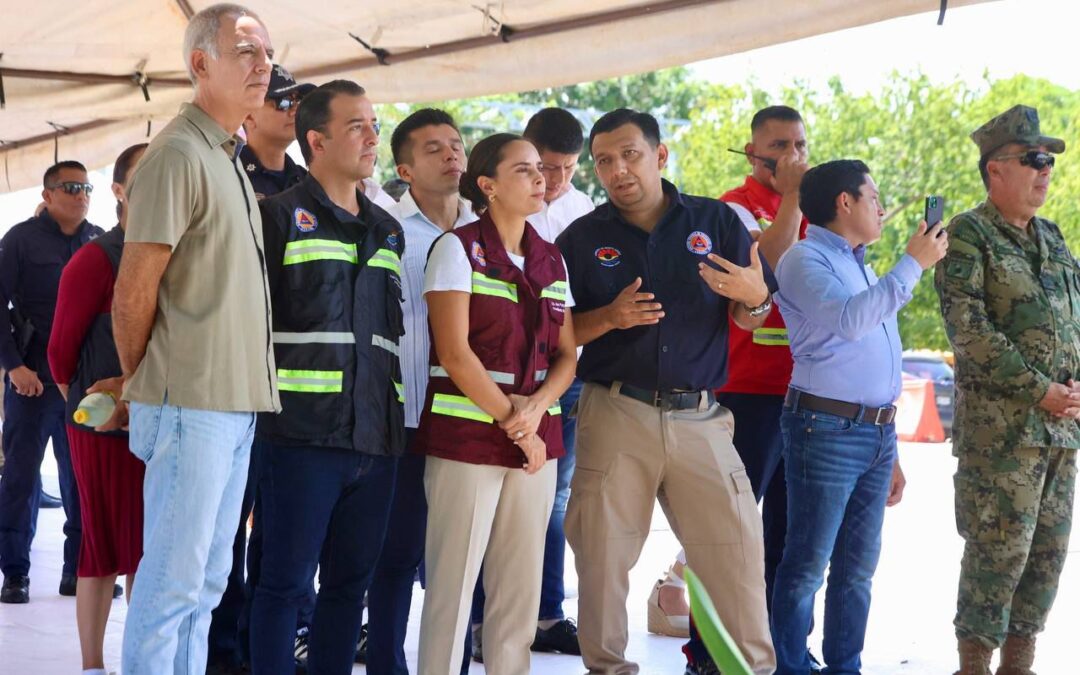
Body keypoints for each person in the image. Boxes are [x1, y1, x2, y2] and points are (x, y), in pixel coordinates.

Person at [557, 108, 775, 675]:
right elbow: (556, 335)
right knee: (601, 558)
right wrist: (609, 316)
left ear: (660, 156)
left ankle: (749, 669)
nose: (617, 170)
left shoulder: (717, 222)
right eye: (604, 161)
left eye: (629, 154)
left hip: (700, 417)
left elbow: (751, 314)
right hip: (614, 410)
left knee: (737, 552)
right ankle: (607, 668)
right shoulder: (580, 239)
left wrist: (755, 296)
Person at [112, 5, 280, 672]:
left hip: (232, 407)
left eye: (267, 51)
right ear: (201, 65)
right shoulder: (178, 153)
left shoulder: (227, 159)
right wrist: (142, 382)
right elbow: (132, 293)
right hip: (191, 402)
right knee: (172, 586)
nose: (263, 64)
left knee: (206, 587)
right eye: (246, 50)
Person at [246, 79, 406, 675]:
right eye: (357, 126)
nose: (372, 136)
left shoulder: (387, 229)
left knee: (348, 592)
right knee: (282, 587)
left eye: (374, 123)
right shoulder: (278, 217)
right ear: (316, 140)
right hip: (298, 441)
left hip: (376, 442)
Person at [769, 159, 947, 674]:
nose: (883, 208)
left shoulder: (860, 263)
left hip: (873, 431)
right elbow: (849, 322)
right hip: (824, 429)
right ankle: (791, 667)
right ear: (843, 202)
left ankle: (845, 666)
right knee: (807, 566)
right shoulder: (804, 259)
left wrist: (888, 448)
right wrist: (912, 263)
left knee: (857, 570)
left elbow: (874, 340)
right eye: (873, 197)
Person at [415, 133, 576, 675]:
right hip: (469, 443)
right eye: (525, 170)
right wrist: (518, 423)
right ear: (487, 186)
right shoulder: (456, 249)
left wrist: (537, 412)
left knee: (519, 592)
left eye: (541, 169)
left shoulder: (551, 258)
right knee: (453, 588)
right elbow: (456, 355)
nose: (541, 179)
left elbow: (568, 356)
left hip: (536, 446)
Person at [650, 105, 811, 637]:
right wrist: (790, 198)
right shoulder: (732, 210)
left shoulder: (812, 211)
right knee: (728, 533)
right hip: (746, 390)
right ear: (753, 152)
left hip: (805, 393)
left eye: (801, 146)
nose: (794, 157)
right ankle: (709, 652)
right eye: (781, 147)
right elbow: (763, 268)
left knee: (790, 535)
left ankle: (778, 647)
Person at [936, 105, 1080, 675]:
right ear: (996, 169)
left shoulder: (1052, 235)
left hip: (1061, 431)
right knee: (997, 555)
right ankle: (974, 665)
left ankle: (1020, 664)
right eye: (1033, 160)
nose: (1045, 171)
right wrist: (1038, 388)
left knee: (1047, 556)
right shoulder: (969, 236)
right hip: (1003, 438)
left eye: (1048, 161)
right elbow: (969, 330)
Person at [467, 106, 593, 661]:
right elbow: (458, 343)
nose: (554, 180)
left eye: (566, 169)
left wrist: (542, 402)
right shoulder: (470, 236)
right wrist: (518, 413)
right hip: (487, 391)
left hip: (556, 383)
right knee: (480, 518)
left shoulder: (583, 212)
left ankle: (545, 613)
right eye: (542, 167)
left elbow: (568, 326)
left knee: (551, 506)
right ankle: (476, 623)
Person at [208, 60, 315, 675]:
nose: (292, 108)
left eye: (300, 99)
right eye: (281, 98)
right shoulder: (225, 172)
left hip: (298, 381)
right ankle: (223, 651)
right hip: (235, 373)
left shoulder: (310, 183)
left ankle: (270, 648)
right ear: (248, 112)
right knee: (229, 528)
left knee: (283, 530)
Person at [366, 107, 475, 675]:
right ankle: (386, 663)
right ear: (405, 169)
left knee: (458, 563)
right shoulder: (386, 230)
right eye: (432, 148)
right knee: (396, 555)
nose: (450, 154)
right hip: (406, 417)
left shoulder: (488, 232)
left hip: (474, 421)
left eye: (455, 144)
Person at [46, 143, 148, 675]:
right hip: (102, 429)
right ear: (119, 191)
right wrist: (96, 406)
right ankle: (92, 664)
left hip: (160, 422)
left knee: (149, 554)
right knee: (103, 548)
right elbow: (60, 353)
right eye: (146, 175)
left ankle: (142, 661)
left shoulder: (174, 251)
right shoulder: (95, 258)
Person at [0, 160, 101, 604]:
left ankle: (77, 570)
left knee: (81, 478)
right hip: (32, 382)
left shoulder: (98, 241)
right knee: (21, 480)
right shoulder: (19, 241)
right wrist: (12, 367)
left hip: (82, 384)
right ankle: (15, 574)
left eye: (86, 188)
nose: (80, 195)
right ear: (47, 196)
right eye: (70, 187)